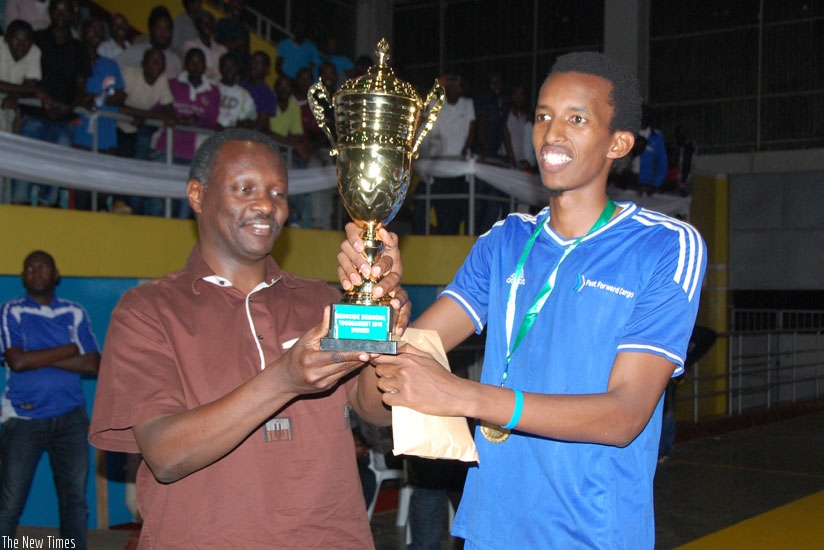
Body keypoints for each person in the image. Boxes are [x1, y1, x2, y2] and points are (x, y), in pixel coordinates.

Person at [339, 51, 707, 548]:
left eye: (577, 119)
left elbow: (625, 416)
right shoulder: (503, 242)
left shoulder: (665, 245)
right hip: (490, 531)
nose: (552, 134)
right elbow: (375, 403)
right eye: (543, 116)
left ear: (618, 142)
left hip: (592, 534)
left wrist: (465, 396)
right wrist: (375, 304)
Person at [88, 128, 409, 549]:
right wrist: (285, 379)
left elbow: (375, 409)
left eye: (279, 193)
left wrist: (387, 324)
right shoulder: (147, 309)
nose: (266, 205)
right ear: (197, 195)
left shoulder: (321, 300)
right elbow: (165, 455)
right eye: (245, 188)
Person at [0, 250, 101, 549]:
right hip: (23, 418)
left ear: (55, 274)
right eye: (29, 268)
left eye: (43, 267)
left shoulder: (75, 312)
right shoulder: (11, 311)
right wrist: (68, 348)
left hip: (71, 418)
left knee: (74, 503)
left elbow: (93, 364)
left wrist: (37, 357)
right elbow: (16, 362)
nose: (36, 272)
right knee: (9, 503)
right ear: (23, 277)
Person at [12, 0, 91, 207]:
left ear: (74, 14)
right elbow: (25, 77)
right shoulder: (36, 39)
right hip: (34, 115)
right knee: (23, 175)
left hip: (64, 120)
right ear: (50, 12)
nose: (62, 15)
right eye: (57, 10)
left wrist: (69, 107)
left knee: (52, 181)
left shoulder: (79, 48)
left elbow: (81, 86)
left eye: (67, 10)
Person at [154, 47, 220, 218]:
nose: (196, 65)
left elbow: (212, 120)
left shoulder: (212, 91)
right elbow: (159, 109)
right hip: (166, 147)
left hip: (193, 153)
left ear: (205, 66)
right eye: (192, 61)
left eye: (200, 62)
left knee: (186, 202)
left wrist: (195, 119)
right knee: (157, 196)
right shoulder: (172, 84)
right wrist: (177, 118)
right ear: (186, 64)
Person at [116, 46, 176, 216]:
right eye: (153, 60)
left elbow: (168, 111)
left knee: (141, 162)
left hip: (141, 126)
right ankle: (121, 202)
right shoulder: (130, 73)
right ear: (143, 63)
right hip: (120, 126)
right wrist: (147, 115)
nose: (157, 64)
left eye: (161, 61)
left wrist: (144, 117)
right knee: (125, 159)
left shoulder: (162, 80)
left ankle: (137, 206)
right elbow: (118, 105)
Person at [415, 73, 475, 235]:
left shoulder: (467, 104)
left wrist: (464, 150)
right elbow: (422, 106)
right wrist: (437, 85)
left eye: (455, 86)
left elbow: (472, 128)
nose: (453, 90)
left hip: (458, 170)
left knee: (454, 213)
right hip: (438, 170)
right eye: (449, 87)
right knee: (429, 206)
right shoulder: (438, 104)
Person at [117, 6, 181, 80]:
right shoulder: (133, 52)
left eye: (167, 28)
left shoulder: (175, 61)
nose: (163, 33)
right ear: (151, 30)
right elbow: (114, 69)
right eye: (159, 28)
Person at [0, 18, 41, 133]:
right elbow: (31, 88)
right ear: (6, 39)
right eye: (16, 40)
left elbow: (30, 87)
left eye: (26, 41)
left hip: (7, 105)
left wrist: (15, 95)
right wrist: (29, 89)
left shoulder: (34, 52)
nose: (20, 45)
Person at [181, 9, 226, 82]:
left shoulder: (222, 49)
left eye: (209, 22)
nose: (206, 25)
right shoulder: (190, 45)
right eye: (203, 22)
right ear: (197, 25)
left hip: (219, 88)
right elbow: (193, 69)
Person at [215, 52, 256, 130]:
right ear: (220, 68)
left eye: (232, 66)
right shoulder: (211, 88)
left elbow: (250, 120)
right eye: (225, 66)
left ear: (237, 68)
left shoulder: (244, 95)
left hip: (233, 136)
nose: (228, 70)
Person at [239, 50, 275, 133]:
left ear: (267, 69)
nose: (254, 66)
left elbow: (261, 124)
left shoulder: (267, 94)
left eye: (259, 63)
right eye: (253, 62)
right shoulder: (239, 85)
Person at [213, 0, 249, 75]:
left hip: (238, 69)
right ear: (229, 6)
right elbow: (217, 47)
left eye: (240, 5)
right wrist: (237, 44)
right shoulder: (222, 23)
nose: (237, 7)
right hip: (223, 66)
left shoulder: (244, 29)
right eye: (234, 4)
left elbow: (246, 54)